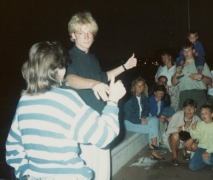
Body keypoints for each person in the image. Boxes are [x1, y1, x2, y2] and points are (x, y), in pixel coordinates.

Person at [5, 41, 126, 180]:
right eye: (63, 65)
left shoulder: (24, 101)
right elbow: (105, 135)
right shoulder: (66, 99)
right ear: (59, 70)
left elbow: (13, 147)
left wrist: (24, 173)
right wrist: (113, 100)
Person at [64, 12, 137, 180]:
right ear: (73, 35)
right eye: (81, 32)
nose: (87, 36)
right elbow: (69, 79)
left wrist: (125, 67)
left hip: (101, 122)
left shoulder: (92, 59)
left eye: (90, 32)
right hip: (83, 127)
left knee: (103, 175)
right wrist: (92, 84)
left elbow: (103, 77)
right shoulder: (67, 57)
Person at [124, 77, 165, 160]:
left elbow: (147, 108)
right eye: (138, 85)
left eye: (142, 85)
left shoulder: (143, 97)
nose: (140, 87)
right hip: (129, 122)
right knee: (152, 128)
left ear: (144, 87)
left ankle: (154, 147)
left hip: (140, 118)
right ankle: (154, 151)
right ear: (134, 86)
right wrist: (140, 121)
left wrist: (143, 116)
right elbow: (129, 116)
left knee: (153, 119)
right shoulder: (129, 99)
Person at [171, 41, 213, 116]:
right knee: (185, 119)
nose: (186, 53)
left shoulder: (201, 63)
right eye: (184, 51)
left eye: (189, 50)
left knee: (198, 118)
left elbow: (210, 81)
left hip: (198, 95)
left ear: (193, 51)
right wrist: (177, 73)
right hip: (184, 94)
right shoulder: (179, 65)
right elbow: (173, 83)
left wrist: (201, 76)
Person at [163, 99, 201, 166]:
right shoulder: (177, 115)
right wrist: (183, 127)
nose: (189, 110)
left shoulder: (197, 119)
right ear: (183, 109)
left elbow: (201, 135)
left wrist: (192, 139)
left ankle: (185, 150)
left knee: (194, 146)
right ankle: (174, 156)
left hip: (186, 140)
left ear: (195, 110)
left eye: (192, 108)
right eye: (187, 108)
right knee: (175, 135)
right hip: (172, 140)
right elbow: (168, 131)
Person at [188, 105, 213, 172]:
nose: (203, 115)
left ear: (212, 114)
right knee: (192, 166)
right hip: (201, 148)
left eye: (206, 113)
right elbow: (195, 137)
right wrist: (193, 129)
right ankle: (205, 159)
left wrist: (208, 151)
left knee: (207, 159)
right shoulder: (200, 124)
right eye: (202, 113)